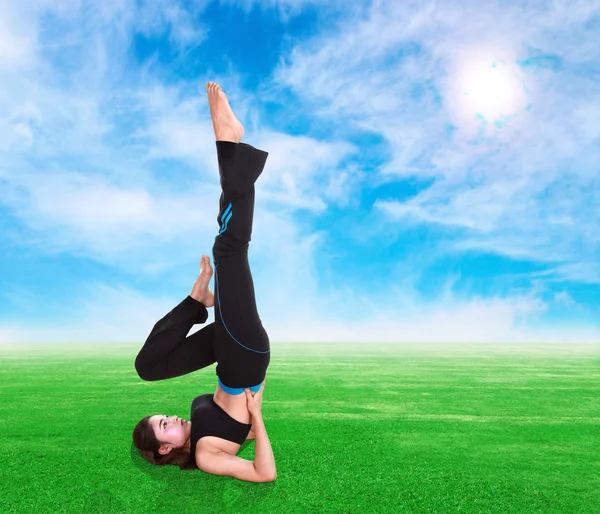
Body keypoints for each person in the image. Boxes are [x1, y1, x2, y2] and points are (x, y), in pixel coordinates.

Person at [132, 82, 276, 483]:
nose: (171, 417)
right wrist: (258, 420)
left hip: (224, 354)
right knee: (229, 247)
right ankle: (229, 143)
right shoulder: (207, 454)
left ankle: (197, 302)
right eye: (165, 425)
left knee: (147, 367)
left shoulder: (198, 432)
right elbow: (264, 474)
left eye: (163, 418)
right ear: (166, 448)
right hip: (244, 358)